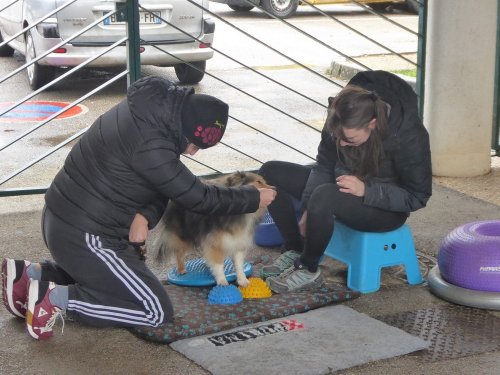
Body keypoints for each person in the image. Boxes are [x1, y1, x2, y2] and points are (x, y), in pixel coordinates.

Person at [2, 76, 276, 340]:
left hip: (62, 220)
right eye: (195, 144)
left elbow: (161, 182)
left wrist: (144, 215)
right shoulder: (153, 145)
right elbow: (197, 196)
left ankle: (31, 275)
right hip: (88, 237)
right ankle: (54, 300)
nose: (193, 153)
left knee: (113, 280)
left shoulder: (149, 113)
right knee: (153, 310)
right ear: (187, 128)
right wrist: (251, 197)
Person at [259, 70, 432, 293]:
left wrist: (367, 190)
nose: (340, 144)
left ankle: (309, 268)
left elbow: (417, 196)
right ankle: (295, 248)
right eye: (337, 136)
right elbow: (323, 164)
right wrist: (307, 207)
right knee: (270, 172)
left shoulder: (409, 137)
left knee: (324, 197)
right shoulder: (341, 114)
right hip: (339, 188)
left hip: (383, 209)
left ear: (373, 123)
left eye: (349, 139)